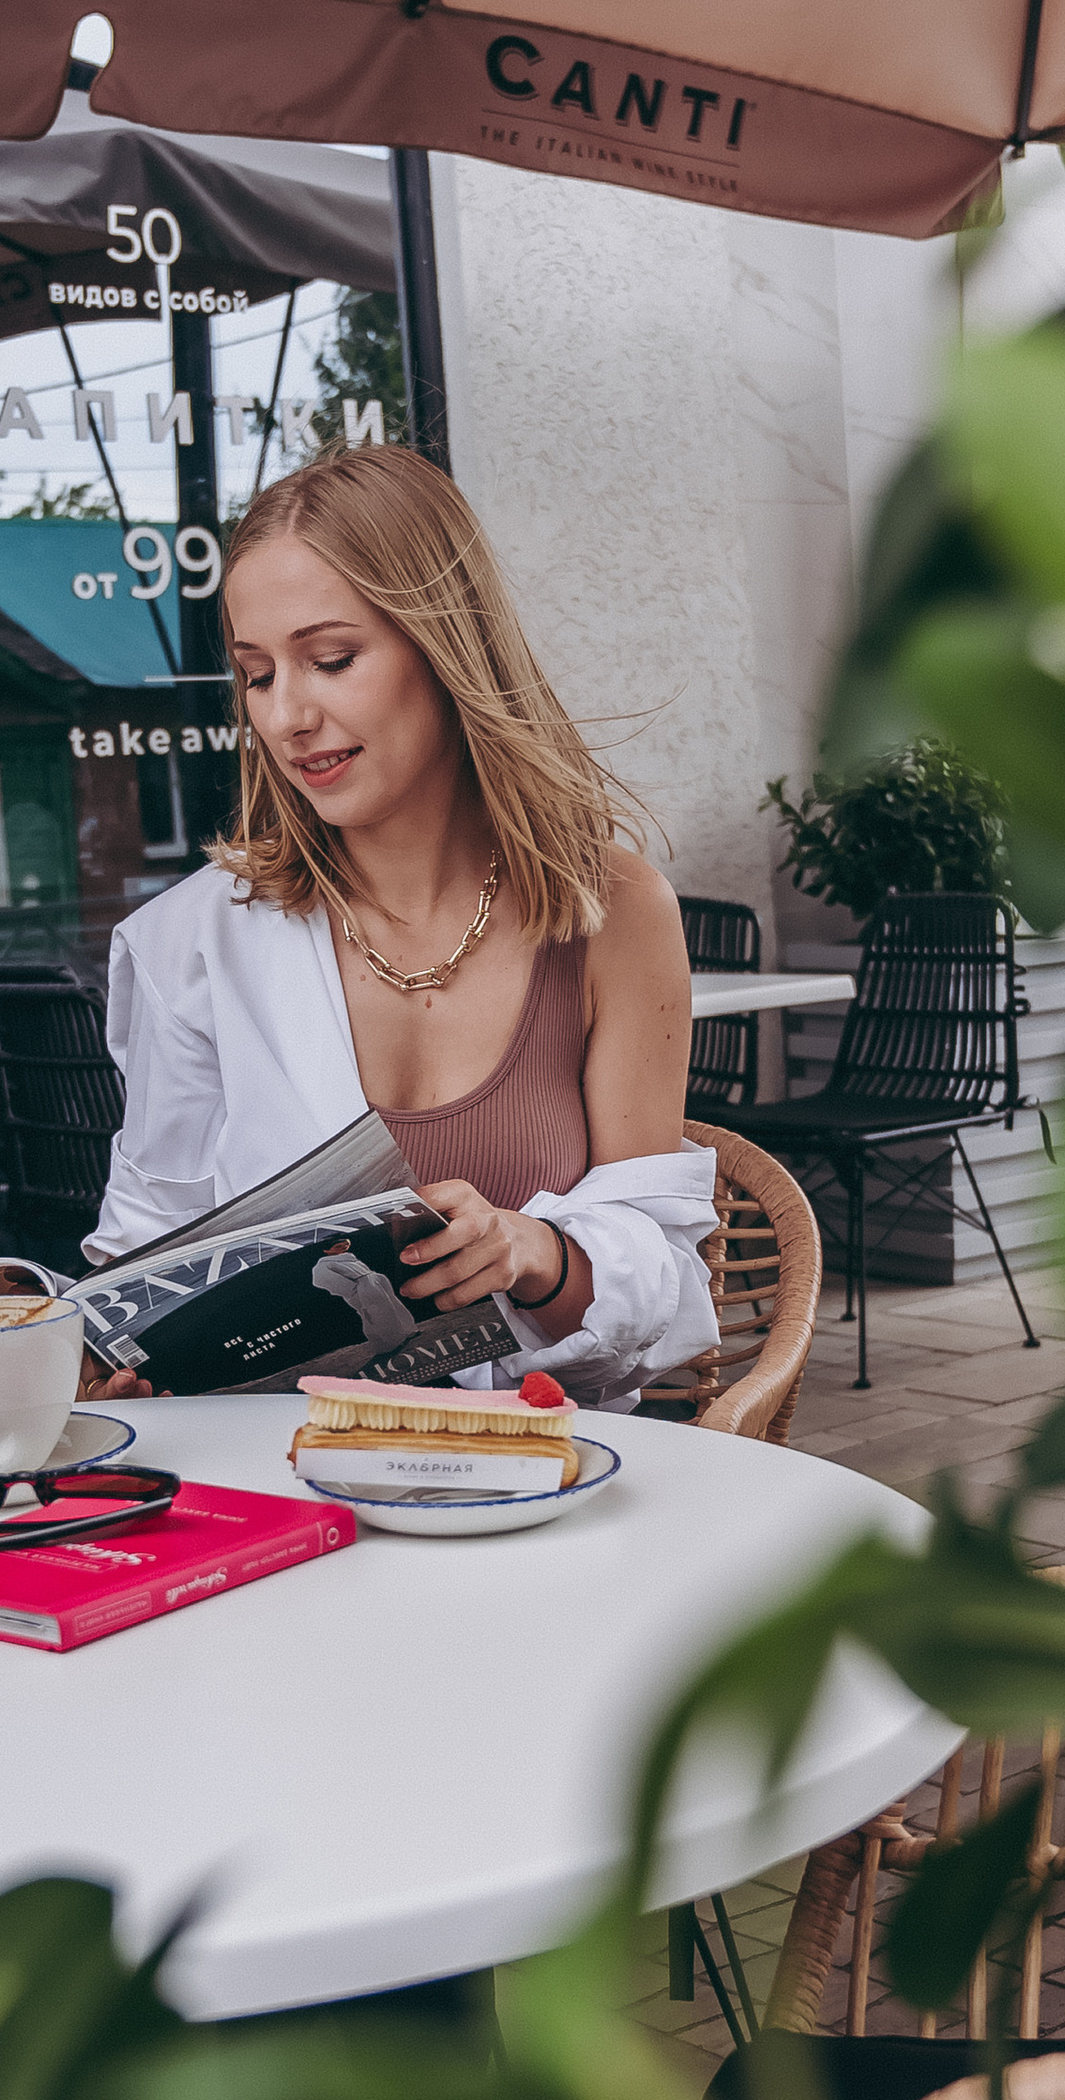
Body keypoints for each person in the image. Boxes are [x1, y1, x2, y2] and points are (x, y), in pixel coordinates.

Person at [86, 442, 716, 1409]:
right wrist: (114, 1369)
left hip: (545, 1489)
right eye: (256, 676)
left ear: (447, 645)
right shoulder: (193, 942)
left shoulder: (613, 912)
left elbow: (663, 1302)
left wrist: (534, 1254)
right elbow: (143, 1254)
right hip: (284, 1493)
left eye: (331, 659)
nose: (288, 714)